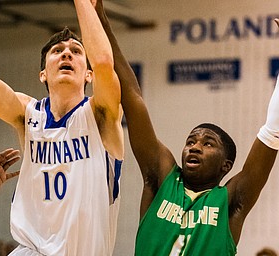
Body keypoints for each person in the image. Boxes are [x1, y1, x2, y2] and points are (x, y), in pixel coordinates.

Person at [95, 1, 279, 255]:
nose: (195, 147)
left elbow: (272, 133)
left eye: (208, 143)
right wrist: (101, 21)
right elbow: (133, 99)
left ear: (226, 165)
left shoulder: (230, 201)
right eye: (191, 141)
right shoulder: (161, 179)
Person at [0, 0, 124, 255]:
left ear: (88, 74)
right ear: (43, 74)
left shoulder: (101, 114)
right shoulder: (27, 114)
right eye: (57, 51)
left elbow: (105, 62)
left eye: (76, 51)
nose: (66, 54)